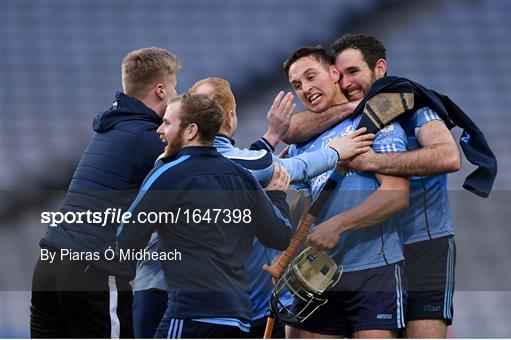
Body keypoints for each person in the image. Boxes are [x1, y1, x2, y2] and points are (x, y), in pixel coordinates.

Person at [132, 76, 373, 338]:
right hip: (201, 305)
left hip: (158, 289)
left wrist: (269, 140)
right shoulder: (240, 166)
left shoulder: (168, 160)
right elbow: (291, 168)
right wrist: (335, 151)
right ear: (228, 118)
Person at [284, 34, 461, 338]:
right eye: (341, 75)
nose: (347, 83)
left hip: (421, 241)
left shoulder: (413, 107)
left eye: (355, 72)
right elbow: (291, 130)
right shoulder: (349, 116)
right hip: (369, 245)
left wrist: (372, 162)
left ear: (380, 69)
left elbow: (448, 156)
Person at [30, 47, 180, 338]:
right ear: (161, 90)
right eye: (175, 86)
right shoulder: (146, 138)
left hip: (48, 267)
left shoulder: (111, 128)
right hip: (93, 272)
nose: (177, 92)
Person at [116, 92, 294, 338]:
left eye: (167, 123)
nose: (159, 130)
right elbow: (280, 236)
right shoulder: (242, 176)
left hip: (192, 313)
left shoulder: (168, 173)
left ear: (190, 131)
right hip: (238, 318)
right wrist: (276, 196)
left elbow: (126, 237)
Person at [284, 45, 410, 338]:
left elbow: (396, 193)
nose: (305, 88)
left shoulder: (373, 121)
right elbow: (299, 208)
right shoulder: (303, 141)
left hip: (373, 271)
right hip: (317, 272)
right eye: (297, 85)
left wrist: (338, 225)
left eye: (311, 76)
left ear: (333, 72)